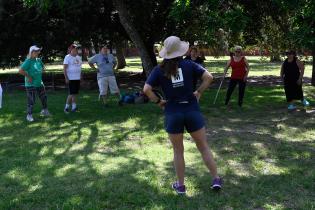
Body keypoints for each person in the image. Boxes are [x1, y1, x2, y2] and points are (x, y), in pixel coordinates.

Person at [143, 36, 222, 195]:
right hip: (192, 110)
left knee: (178, 151)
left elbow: (146, 89)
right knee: (203, 147)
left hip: (173, 113)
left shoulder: (159, 70)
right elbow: (209, 77)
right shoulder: (190, 65)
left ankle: (180, 186)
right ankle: (215, 179)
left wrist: (158, 102)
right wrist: (198, 92)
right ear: (181, 50)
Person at [18, 45, 50, 122]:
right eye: (35, 51)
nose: (37, 52)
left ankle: (45, 110)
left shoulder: (38, 60)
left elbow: (43, 67)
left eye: (38, 51)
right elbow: (20, 71)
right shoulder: (28, 61)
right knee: (31, 100)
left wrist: (43, 69)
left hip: (39, 82)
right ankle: (29, 115)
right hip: (30, 84)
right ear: (31, 52)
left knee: (43, 97)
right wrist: (28, 76)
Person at [63, 44, 82, 113]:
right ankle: (66, 108)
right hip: (71, 78)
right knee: (71, 93)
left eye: (76, 49)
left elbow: (80, 67)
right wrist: (66, 78)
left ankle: (74, 108)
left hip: (77, 78)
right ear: (70, 50)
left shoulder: (79, 57)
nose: (75, 50)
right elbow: (64, 69)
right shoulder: (67, 57)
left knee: (75, 93)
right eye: (73, 49)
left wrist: (80, 76)